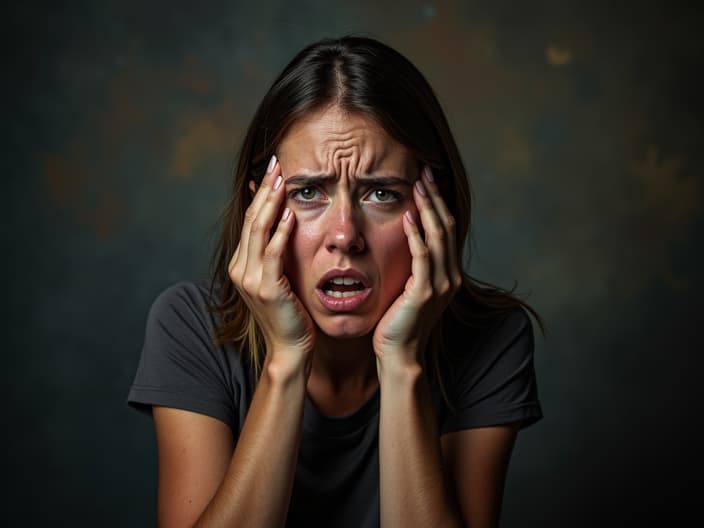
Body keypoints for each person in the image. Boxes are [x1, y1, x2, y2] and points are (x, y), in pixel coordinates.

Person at [127, 34, 544, 528]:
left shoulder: (491, 338)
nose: (345, 235)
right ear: (261, 208)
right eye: (308, 192)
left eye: (381, 194)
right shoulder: (190, 326)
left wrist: (402, 363)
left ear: (436, 208)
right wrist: (285, 360)